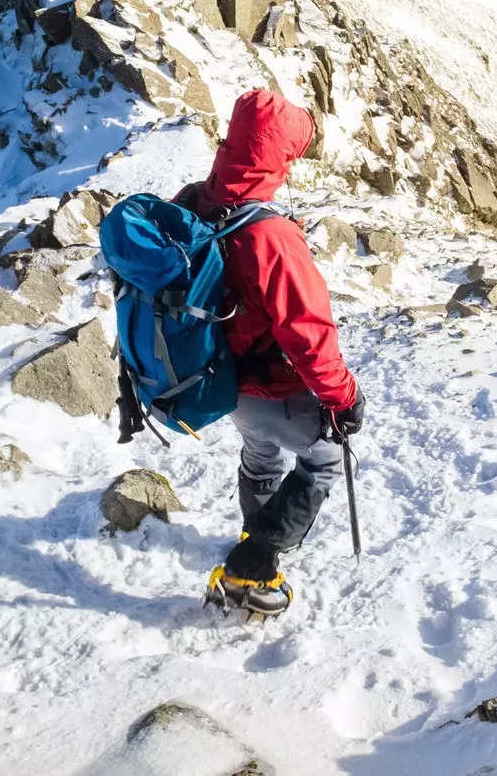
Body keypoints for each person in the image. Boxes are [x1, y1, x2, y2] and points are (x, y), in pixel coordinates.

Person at [179, 89, 364, 617]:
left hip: (224, 379)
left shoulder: (196, 201)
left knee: (261, 453)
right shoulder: (270, 235)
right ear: (277, 158)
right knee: (324, 460)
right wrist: (342, 396)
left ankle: (254, 530)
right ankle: (253, 570)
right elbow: (308, 330)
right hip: (275, 385)